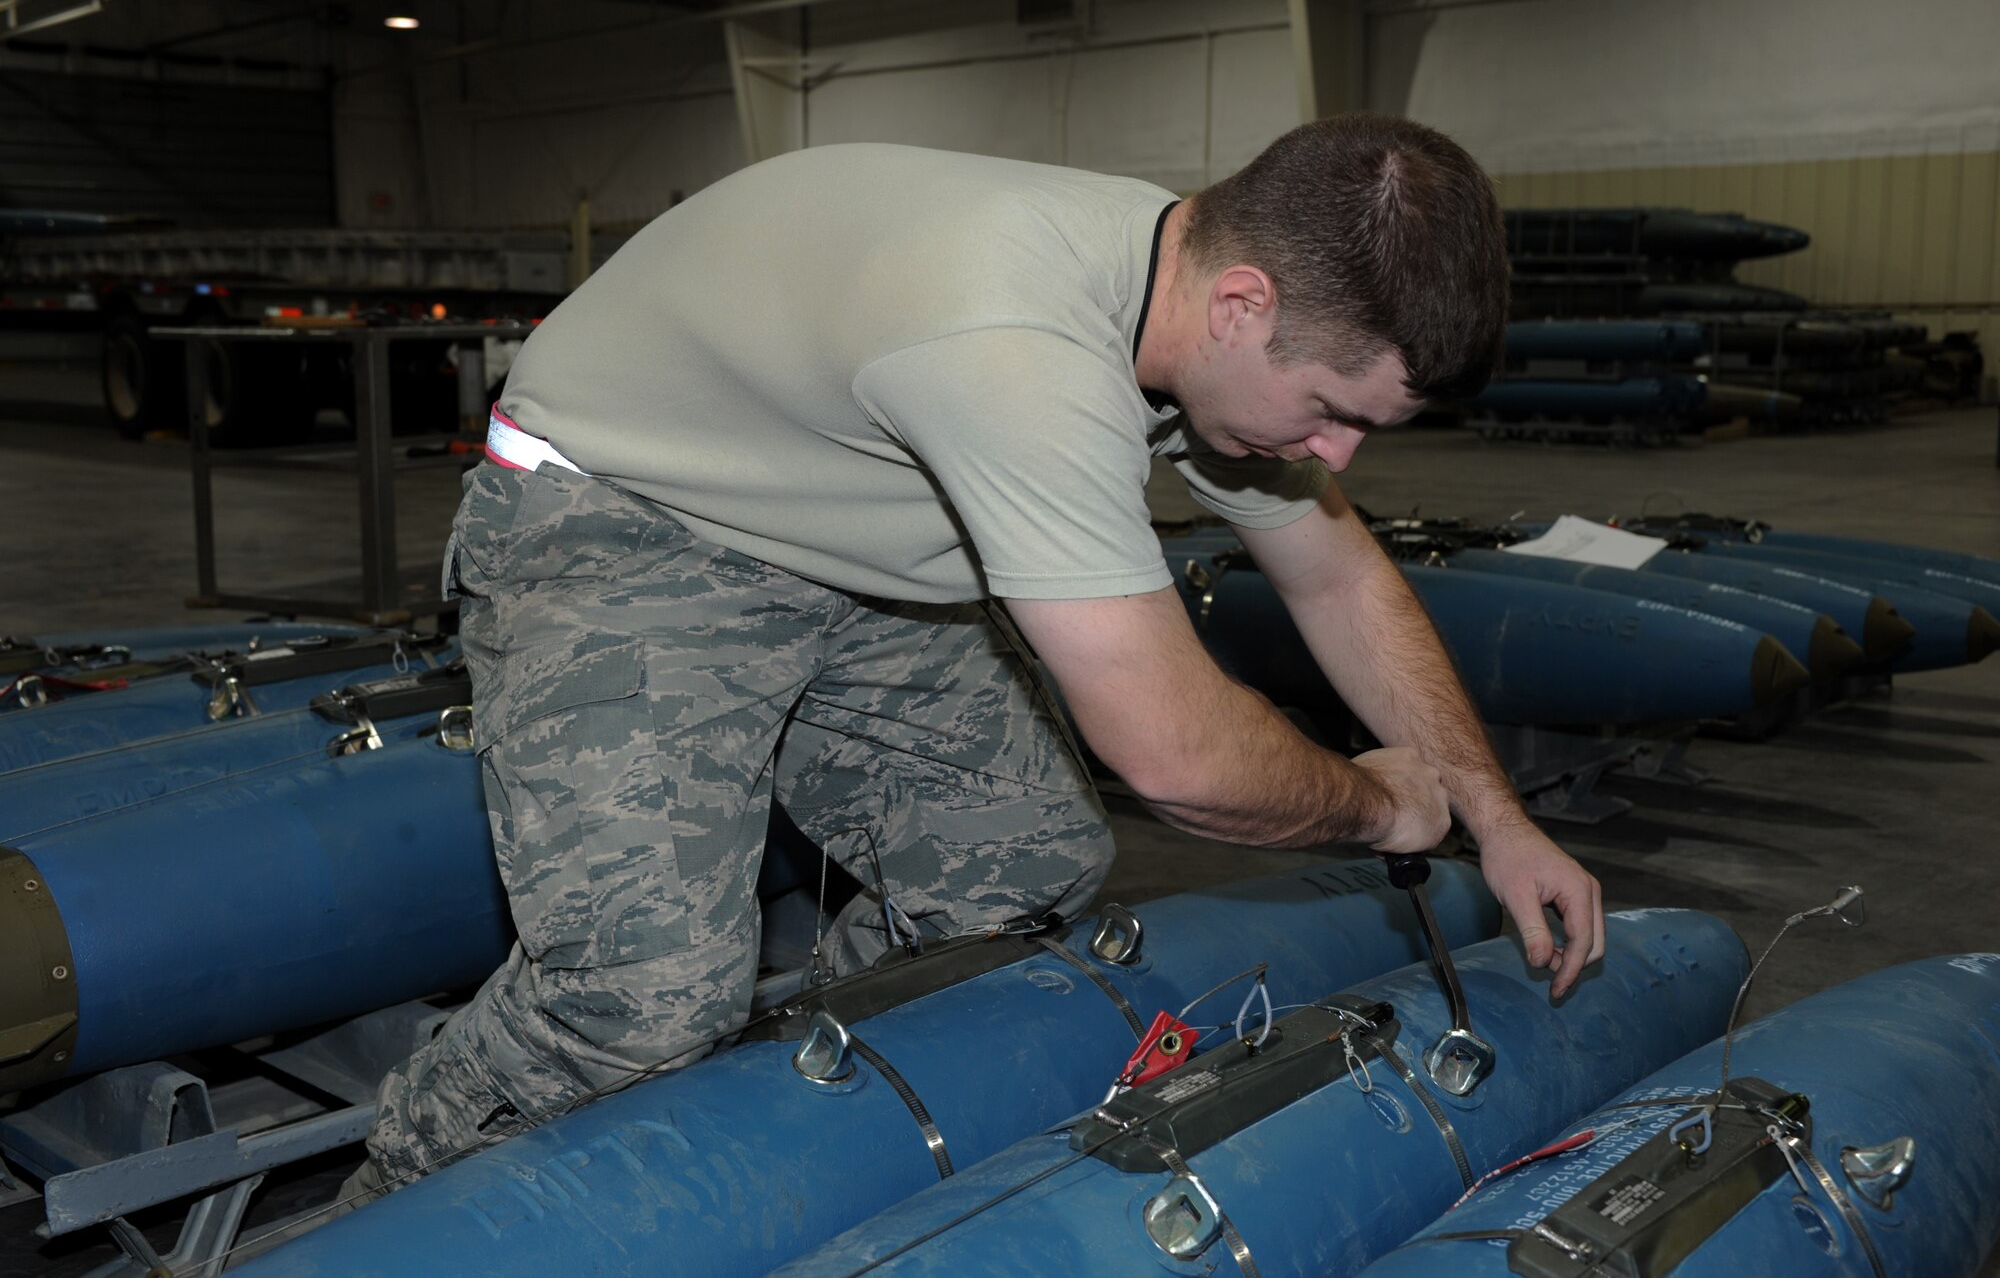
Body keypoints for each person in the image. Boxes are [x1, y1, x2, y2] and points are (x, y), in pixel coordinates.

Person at [347, 112, 1603, 1200]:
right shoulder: (1016, 346)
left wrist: (1492, 816)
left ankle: (767, 1104)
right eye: (1332, 412)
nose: (1335, 459)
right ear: (1242, 304)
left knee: (1020, 870)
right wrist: (1383, 806)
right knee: (637, 999)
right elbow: (1174, 758)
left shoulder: (1194, 293)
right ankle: (380, 1211)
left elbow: (1335, 573)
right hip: (628, 518)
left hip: (846, 530)